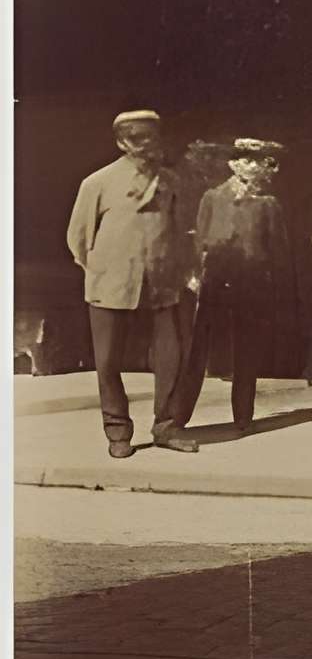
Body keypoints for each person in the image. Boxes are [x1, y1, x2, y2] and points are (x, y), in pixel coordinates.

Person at [65, 109, 198, 459]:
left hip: (162, 283)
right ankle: (118, 432)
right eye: (137, 137)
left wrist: (180, 270)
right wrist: (101, 269)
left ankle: (167, 428)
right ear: (121, 142)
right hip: (111, 283)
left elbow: (183, 232)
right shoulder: (97, 183)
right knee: (108, 361)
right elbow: (78, 238)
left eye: (151, 136)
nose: (145, 144)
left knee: (171, 356)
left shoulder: (171, 182)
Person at [173, 138, 295, 435]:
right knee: (198, 350)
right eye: (248, 160)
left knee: (247, 349)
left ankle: (243, 416)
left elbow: (279, 252)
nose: (256, 167)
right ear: (234, 163)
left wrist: (276, 290)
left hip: (252, 284)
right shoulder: (212, 198)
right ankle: (178, 418)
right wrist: (193, 276)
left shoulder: (269, 205)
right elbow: (198, 240)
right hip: (214, 280)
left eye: (261, 161)